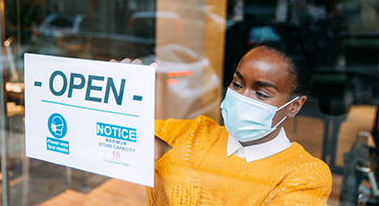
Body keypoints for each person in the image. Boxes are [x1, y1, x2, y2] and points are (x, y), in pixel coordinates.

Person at [116, 25, 334, 205]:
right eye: (237, 84)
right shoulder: (192, 133)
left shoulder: (307, 176)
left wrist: (169, 158)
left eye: (260, 93)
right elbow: (111, 134)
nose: (242, 97)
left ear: (295, 105)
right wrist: (114, 100)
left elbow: (160, 150)